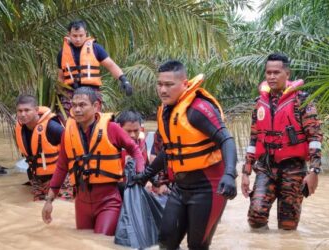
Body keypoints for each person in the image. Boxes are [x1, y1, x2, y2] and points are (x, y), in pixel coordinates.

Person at [131, 60, 237, 250]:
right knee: (166, 240)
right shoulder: (166, 111)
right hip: (181, 187)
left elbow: (226, 139)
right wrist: (146, 175)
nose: (163, 90)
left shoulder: (198, 110)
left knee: (197, 245)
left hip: (208, 188)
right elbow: (171, 151)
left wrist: (230, 174)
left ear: (185, 84)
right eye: (160, 84)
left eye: (169, 85)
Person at [41, 87, 144, 235]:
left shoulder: (112, 128)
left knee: (100, 242)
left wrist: (140, 174)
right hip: (81, 204)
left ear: (96, 106)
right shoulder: (67, 134)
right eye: (74, 105)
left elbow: (134, 150)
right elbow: (62, 167)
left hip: (108, 202)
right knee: (84, 242)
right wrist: (49, 200)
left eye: (82, 105)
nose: (77, 109)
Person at [241, 53, 323, 231]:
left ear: (287, 74)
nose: (271, 76)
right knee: (256, 217)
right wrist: (246, 172)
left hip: (293, 168)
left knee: (288, 226)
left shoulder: (302, 102)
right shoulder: (260, 103)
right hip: (266, 166)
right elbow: (254, 139)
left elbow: (315, 138)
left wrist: (314, 171)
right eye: (268, 72)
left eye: (276, 72)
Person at [56, 19, 133, 122]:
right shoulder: (62, 53)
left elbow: (111, 65)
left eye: (81, 35)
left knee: (94, 122)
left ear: (86, 34)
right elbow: (61, 77)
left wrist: (124, 80)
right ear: (69, 34)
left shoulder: (96, 48)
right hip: (70, 93)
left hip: (92, 92)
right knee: (66, 122)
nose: (78, 39)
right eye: (74, 36)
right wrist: (58, 95)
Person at [15, 95, 70, 201]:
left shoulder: (52, 127)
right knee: (37, 207)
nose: (23, 114)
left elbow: (73, 149)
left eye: (27, 110)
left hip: (59, 177)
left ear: (36, 110)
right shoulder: (19, 129)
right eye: (19, 111)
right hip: (36, 178)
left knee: (62, 206)